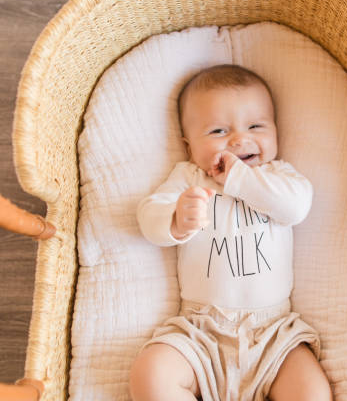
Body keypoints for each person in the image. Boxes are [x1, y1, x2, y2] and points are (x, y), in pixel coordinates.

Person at [129, 64, 332, 401]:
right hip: (199, 330)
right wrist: (176, 219)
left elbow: (296, 208)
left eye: (256, 126)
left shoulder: (278, 176)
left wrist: (240, 178)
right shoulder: (189, 178)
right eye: (219, 131)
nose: (240, 139)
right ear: (189, 145)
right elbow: (148, 215)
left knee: (312, 392)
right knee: (151, 373)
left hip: (273, 334)